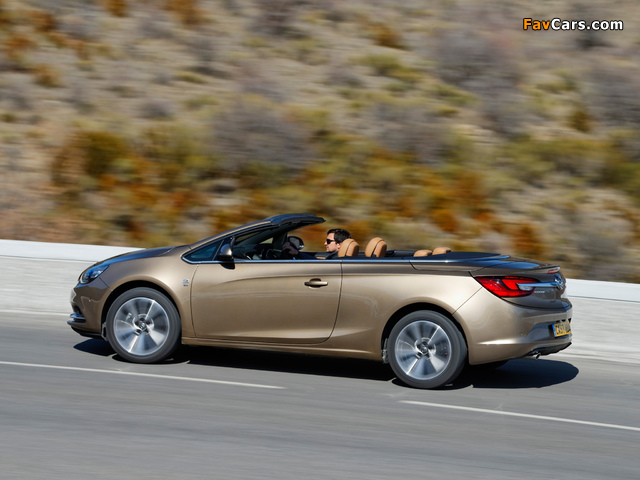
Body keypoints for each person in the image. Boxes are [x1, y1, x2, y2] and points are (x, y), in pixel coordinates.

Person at [282, 228, 351, 259]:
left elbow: (322, 265)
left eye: (328, 241)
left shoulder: (339, 259)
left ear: (339, 244)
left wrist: (297, 253)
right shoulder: (339, 257)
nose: (325, 243)